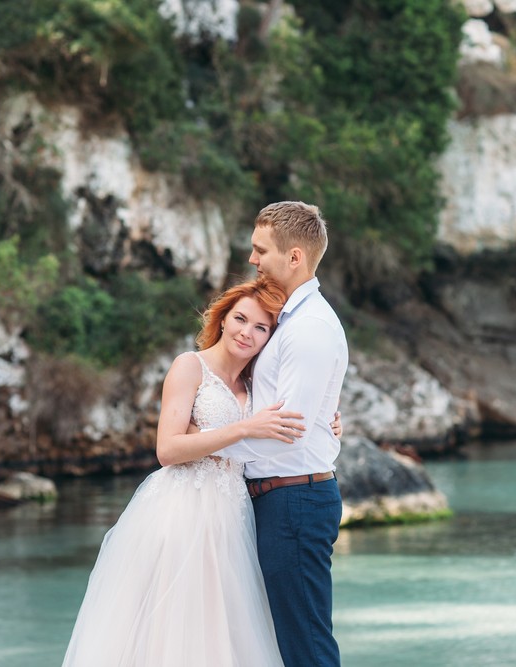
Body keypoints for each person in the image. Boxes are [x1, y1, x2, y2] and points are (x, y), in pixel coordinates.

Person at [60, 277, 341, 667]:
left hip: (235, 515)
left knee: (227, 627)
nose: (247, 332)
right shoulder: (189, 367)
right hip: (182, 510)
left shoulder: (257, 382)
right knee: (176, 626)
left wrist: (327, 422)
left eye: (261, 327)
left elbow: (296, 414)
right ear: (223, 318)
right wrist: (244, 427)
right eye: (240, 319)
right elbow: (167, 449)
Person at [228, 201, 349, 667]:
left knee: (306, 647)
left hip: (293, 501)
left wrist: (205, 447)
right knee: (285, 644)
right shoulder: (291, 321)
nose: (253, 259)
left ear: (294, 257)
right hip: (281, 498)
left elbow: (289, 430)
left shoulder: (310, 327)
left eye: (261, 250)